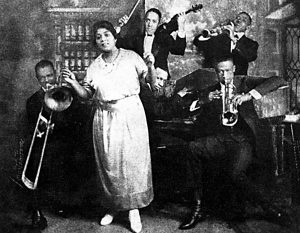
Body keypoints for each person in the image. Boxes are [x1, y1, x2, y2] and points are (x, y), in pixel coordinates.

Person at [62, 20, 155, 233]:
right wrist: (73, 83)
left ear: (115, 36)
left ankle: (133, 210)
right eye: (98, 37)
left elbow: (151, 82)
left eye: (106, 34)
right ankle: (114, 206)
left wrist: (150, 65)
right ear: (95, 42)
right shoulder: (95, 66)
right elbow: (87, 96)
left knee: (132, 163)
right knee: (110, 165)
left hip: (131, 114)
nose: (103, 39)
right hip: (104, 117)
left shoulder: (131, 57)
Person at [178, 55, 290, 230]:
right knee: (192, 148)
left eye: (228, 71)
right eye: (220, 72)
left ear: (234, 69)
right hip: (220, 138)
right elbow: (186, 106)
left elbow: (278, 80)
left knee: (234, 173)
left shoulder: (244, 82)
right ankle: (198, 208)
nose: (224, 75)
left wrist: (248, 96)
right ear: (216, 72)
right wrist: (203, 100)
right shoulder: (210, 90)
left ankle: (271, 209)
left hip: (241, 139)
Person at [25, 59, 86, 230]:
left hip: (68, 141)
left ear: (56, 74)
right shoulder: (33, 101)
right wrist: (44, 128)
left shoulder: (68, 93)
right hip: (47, 144)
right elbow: (32, 127)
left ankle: (67, 202)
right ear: (37, 79)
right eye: (42, 78)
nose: (47, 81)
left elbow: (78, 120)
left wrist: (60, 124)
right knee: (41, 159)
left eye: (50, 75)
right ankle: (41, 206)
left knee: (75, 157)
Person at [116, 8, 186, 76]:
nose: (150, 24)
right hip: (141, 81)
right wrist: (119, 26)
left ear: (158, 23)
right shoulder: (136, 39)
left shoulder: (164, 38)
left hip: (160, 80)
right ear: (144, 21)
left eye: (154, 21)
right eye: (148, 20)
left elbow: (179, 50)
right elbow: (118, 44)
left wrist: (181, 27)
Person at [193, 11, 258, 75]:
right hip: (217, 79)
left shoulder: (251, 44)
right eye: (237, 18)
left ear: (248, 27)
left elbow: (249, 56)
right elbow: (198, 42)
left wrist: (233, 39)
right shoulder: (220, 38)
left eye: (244, 20)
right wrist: (210, 34)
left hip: (238, 80)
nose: (238, 21)